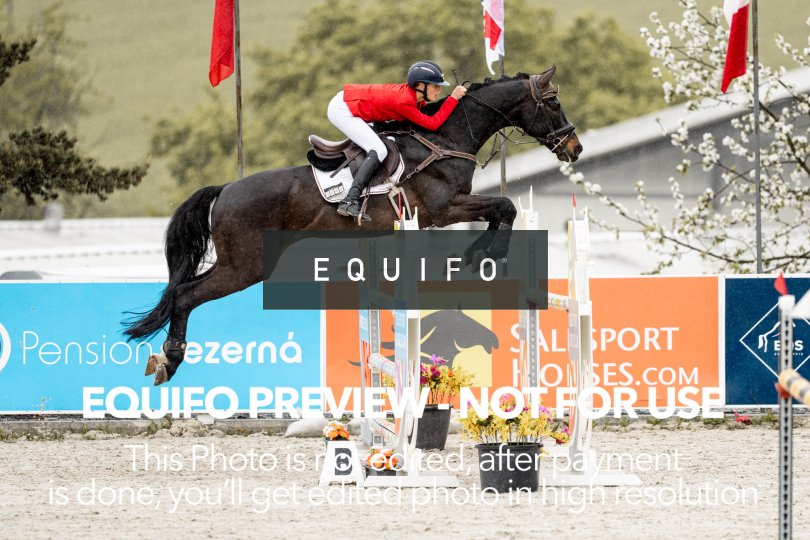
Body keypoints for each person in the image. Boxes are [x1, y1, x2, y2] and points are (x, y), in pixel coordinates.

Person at [326, 61, 467, 221]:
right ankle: (349, 200)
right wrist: (453, 98)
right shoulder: (404, 101)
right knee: (379, 150)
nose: (439, 90)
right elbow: (433, 123)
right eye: (435, 86)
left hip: (354, 104)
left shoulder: (415, 98)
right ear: (421, 85)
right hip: (343, 110)